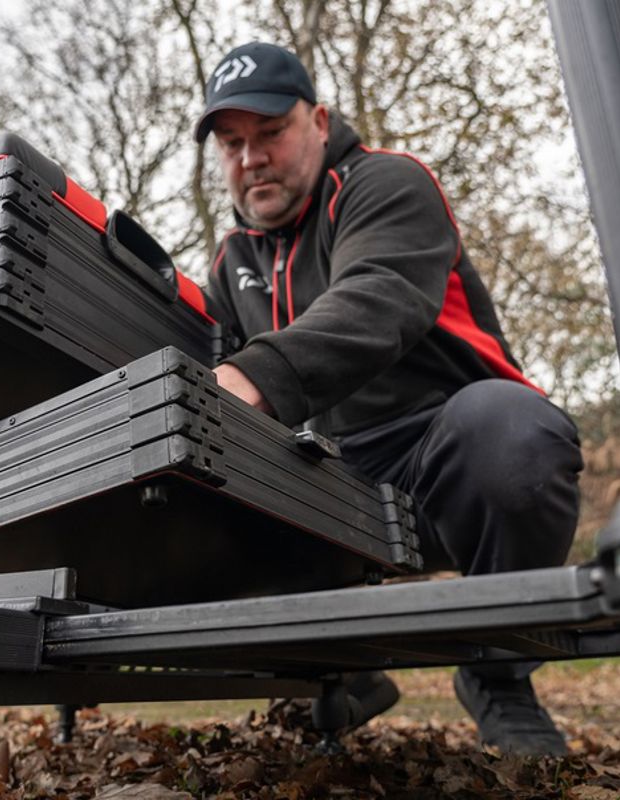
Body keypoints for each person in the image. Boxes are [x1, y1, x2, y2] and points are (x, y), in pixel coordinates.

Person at [194, 41, 583, 756]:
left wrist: (252, 376)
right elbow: (204, 363)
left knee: (513, 434)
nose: (251, 158)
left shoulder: (386, 183)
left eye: (270, 132)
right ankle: (337, 676)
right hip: (330, 474)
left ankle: (497, 676)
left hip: (442, 451)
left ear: (318, 122)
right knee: (205, 473)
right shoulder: (230, 260)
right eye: (231, 144)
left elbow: (378, 298)